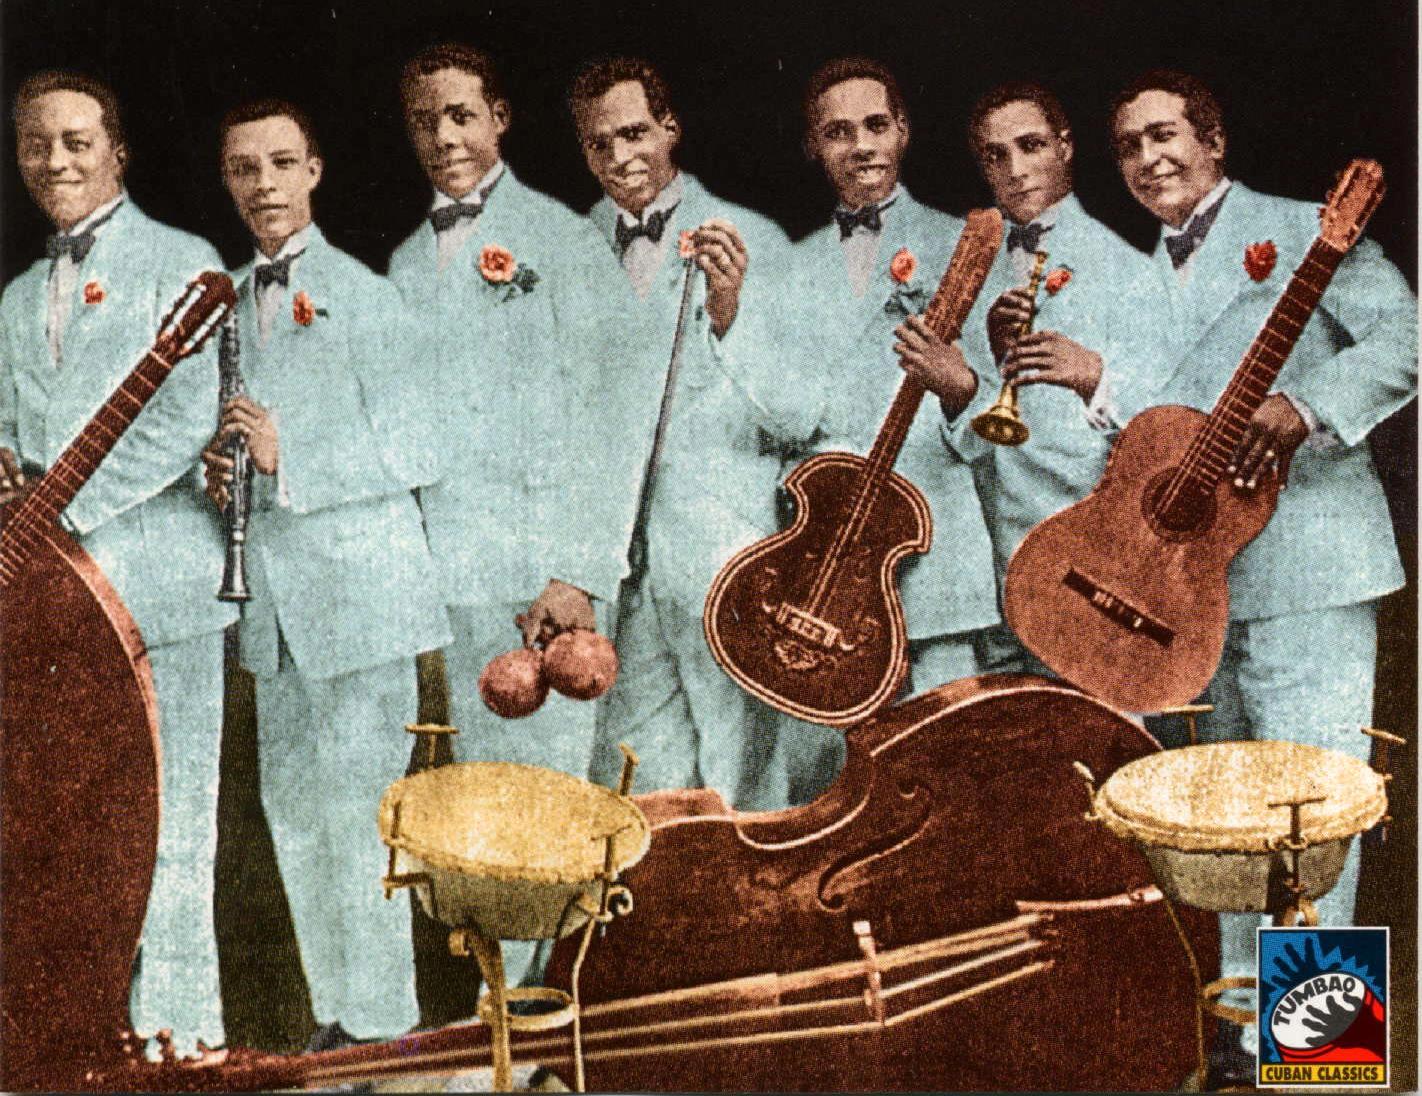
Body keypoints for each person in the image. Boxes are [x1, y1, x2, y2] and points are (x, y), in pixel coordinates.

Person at [1106, 69, 1415, 1086]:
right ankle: (1247, 1044)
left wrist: (1310, 404)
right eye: (1129, 146)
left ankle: (1320, 1057)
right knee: (1225, 812)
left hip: (1310, 567)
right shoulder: (1132, 272)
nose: (1150, 158)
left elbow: (1409, 337)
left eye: (1165, 135)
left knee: (1313, 811)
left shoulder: (1301, 229)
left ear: (1214, 140)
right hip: (1193, 584)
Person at [203, 98, 451, 1049]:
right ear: (228, 182)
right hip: (275, 613)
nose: (263, 185)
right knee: (294, 818)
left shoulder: (367, 296)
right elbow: (226, 450)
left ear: (314, 171)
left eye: (280, 164)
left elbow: (423, 445)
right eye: (244, 169)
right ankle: (336, 1022)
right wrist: (221, 475)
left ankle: (386, 1031)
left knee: (361, 823)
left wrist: (287, 455)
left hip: (361, 602)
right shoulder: (223, 303)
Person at [0, 70, 235, 1057]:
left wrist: (60, 517)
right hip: (51, 601)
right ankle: (84, 1040)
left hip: (156, 583)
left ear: (118, 152)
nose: (55, 161)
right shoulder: (17, 296)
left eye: (76, 142)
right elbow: (13, 428)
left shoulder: (183, 261)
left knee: (172, 826)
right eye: (36, 144)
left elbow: (184, 421)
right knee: (73, 825)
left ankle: (183, 1040)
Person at [388, 44, 624, 784]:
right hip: (452, 574)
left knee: (550, 795)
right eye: (424, 122)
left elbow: (610, 413)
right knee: (477, 794)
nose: (445, 137)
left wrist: (578, 571)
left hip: (544, 574)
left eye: (461, 116)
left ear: (499, 118)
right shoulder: (406, 262)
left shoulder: (563, 239)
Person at [569, 56, 798, 811]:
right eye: (599, 144)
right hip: (616, 568)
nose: (621, 156)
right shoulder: (570, 250)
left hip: (721, 556)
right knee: (636, 782)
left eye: (635, 133)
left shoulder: (752, 238)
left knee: (747, 780)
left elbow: (797, 414)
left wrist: (731, 316)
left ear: (671, 128)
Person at [776, 57, 997, 802]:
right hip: (824, 569)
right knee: (824, 787)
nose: (861, 146)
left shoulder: (968, 243)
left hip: (933, 557)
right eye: (838, 132)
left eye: (876, 125)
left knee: (948, 783)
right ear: (813, 146)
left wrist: (959, 387)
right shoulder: (790, 266)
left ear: (903, 131)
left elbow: (1001, 415)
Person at [950, 81, 1154, 674]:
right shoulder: (967, 266)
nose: (1014, 170)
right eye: (995, 155)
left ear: (1065, 146)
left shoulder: (1128, 266)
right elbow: (964, 437)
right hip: (988, 559)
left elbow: (1165, 422)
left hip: (1084, 556)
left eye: (1031, 146)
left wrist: (1094, 377)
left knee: (1097, 724)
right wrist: (976, 376)